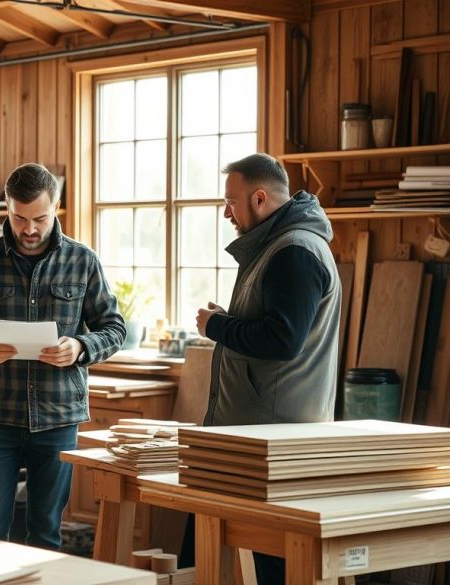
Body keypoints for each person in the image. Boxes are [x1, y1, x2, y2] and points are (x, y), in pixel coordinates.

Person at [0, 162, 127, 550]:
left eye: (39, 218)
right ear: (7, 208)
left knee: (45, 532)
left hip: (58, 417)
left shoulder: (83, 260)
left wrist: (80, 347)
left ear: (56, 207)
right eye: (18, 217)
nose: (28, 229)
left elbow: (114, 328)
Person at [193, 152, 341, 582]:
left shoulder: (293, 251)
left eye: (231, 202)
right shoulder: (279, 245)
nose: (226, 212)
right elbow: (275, 325)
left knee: (268, 566)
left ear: (260, 198)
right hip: (258, 435)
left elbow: (283, 340)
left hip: (273, 440)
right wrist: (230, 322)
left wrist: (218, 326)